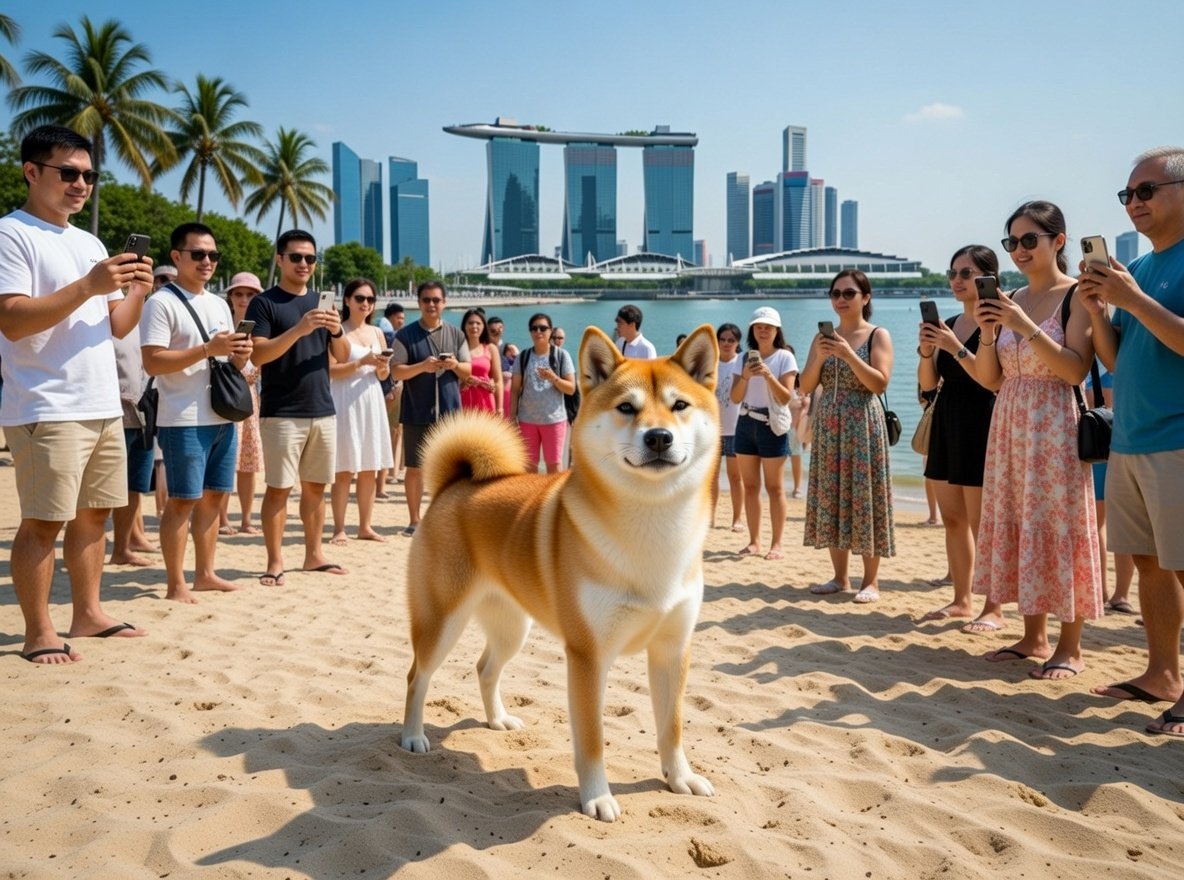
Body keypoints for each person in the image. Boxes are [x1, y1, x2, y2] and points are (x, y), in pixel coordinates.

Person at [0, 124, 152, 663]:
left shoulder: (87, 241)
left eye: (89, 175)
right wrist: (89, 284)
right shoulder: (11, 233)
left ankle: (87, 614)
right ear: (31, 172)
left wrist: (134, 289)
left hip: (101, 402)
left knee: (95, 516)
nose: (81, 183)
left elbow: (116, 326)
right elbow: (12, 320)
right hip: (46, 403)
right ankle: (38, 630)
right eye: (69, 173)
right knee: (43, 521)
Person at [973, 201, 1101, 679]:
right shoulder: (1012, 298)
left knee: (1060, 524)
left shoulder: (1076, 296)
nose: (1020, 250)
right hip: (1010, 419)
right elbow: (990, 379)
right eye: (1013, 242)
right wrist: (988, 332)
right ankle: (1032, 637)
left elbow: (1074, 368)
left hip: (1054, 421)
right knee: (1023, 521)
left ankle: (1071, 646)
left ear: (1058, 242)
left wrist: (1022, 327)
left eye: (1031, 240)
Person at [1080, 147, 1184, 728]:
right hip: (1132, 438)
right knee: (1147, 562)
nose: (1133, 203)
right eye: (1127, 195)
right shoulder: (1140, 269)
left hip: (1177, 437)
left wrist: (1132, 301)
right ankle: (1162, 673)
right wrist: (1099, 310)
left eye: (1145, 191)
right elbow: (1116, 356)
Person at [140, 223, 251, 603]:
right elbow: (152, 361)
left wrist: (237, 356)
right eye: (198, 254)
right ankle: (176, 583)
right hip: (182, 417)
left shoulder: (219, 303)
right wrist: (207, 348)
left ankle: (205, 573)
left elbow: (224, 362)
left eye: (213, 255)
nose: (207, 261)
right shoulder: (161, 303)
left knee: (216, 498)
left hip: (221, 415)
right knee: (183, 500)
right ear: (177, 257)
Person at [246, 230, 351, 585]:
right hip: (281, 411)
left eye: (309, 258)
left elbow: (343, 356)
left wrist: (336, 331)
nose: (304, 263)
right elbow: (258, 354)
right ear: (280, 260)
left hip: (322, 408)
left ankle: (313, 555)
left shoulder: (324, 304)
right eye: (296, 257)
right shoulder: (264, 303)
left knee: (316, 487)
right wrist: (299, 330)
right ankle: (275, 561)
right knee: (278, 488)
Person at [916, 246, 1004, 633]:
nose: (956, 280)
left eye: (966, 274)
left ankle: (994, 607)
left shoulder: (998, 322)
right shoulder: (950, 322)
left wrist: (954, 346)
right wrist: (926, 350)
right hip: (948, 419)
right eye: (953, 273)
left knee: (984, 522)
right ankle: (962, 599)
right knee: (953, 518)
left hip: (984, 418)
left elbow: (992, 377)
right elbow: (927, 384)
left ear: (988, 278)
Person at [800, 271, 895, 602]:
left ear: (865, 298)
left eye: (849, 293)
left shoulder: (877, 335)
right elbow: (806, 385)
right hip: (829, 424)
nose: (841, 299)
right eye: (836, 293)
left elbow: (879, 383)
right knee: (832, 496)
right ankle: (840, 578)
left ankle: (871, 581)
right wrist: (824, 356)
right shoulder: (821, 340)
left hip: (862, 424)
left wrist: (847, 354)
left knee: (865, 498)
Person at [390, 280, 471, 535]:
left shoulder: (456, 334)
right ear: (419, 303)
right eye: (426, 300)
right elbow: (396, 371)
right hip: (417, 410)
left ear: (444, 303)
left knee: (451, 469)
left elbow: (467, 370)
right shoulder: (405, 335)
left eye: (436, 300)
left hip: (449, 410)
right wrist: (422, 367)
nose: (431, 305)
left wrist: (454, 365)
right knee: (415, 468)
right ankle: (414, 520)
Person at [328, 278, 394, 545]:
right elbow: (331, 370)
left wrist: (381, 367)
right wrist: (362, 362)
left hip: (371, 397)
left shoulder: (378, 333)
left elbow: (382, 374)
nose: (365, 304)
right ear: (347, 301)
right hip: (344, 398)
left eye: (369, 299)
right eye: (359, 298)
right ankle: (339, 528)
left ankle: (365, 526)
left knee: (369, 466)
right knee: (344, 468)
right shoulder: (337, 330)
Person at [730, 307, 798, 560]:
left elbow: (785, 397)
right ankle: (754, 541)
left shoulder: (784, 358)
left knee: (775, 487)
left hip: (772, 425)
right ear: (752, 330)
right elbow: (734, 397)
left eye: (768, 326)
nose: (763, 330)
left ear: (777, 330)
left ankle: (777, 543)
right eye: (759, 326)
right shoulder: (743, 358)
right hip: (745, 422)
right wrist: (746, 376)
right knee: (750, 486)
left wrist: (768, 375)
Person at [218, 271, 264, 536]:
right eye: (239, 294)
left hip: (250, 401)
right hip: (225, 398)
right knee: (226, 462)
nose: (244, 299)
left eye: (250, 294)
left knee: (249, 465)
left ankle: (246, 519)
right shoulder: (221, 325)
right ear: (231, 297)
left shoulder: (263, 329)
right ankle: (223, 518)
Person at [109, 310, 156, 567]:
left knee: (135, 487)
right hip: (114, 410)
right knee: (107, 489)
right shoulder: (105, 313)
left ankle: (122, 548)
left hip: (145, 411)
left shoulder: (148, 318)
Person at [510, 313, 576, 473]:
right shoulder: (523, 357)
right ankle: (531, 498)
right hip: (527, 420)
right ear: (530, 332)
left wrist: (554, 377)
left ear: (550, 331)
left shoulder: (561, 356)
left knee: (553, 465)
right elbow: (515, 389)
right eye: (534, 328)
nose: (538, 331)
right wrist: (512, 417)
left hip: (554, 420)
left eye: (543, 328)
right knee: (529, 466)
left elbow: (571, 388)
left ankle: (552, 498)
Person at [711, 322, 746, 531]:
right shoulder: (711, 363)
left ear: (738, 342)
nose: (726, 343)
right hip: (712, 430)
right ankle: (711, 517)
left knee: (735, 477)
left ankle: (737, 519)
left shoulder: (741, 363)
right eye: (722, 339)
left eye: (731, 340)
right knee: (711, 477)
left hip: (736, 428)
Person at [380, 302, 406, 486]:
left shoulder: (378, 328)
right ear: (391, 317)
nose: (401, 322)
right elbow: (388, 363)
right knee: (391, 428)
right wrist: (390, 387)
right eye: (399, 318)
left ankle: (391, 470)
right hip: (391, 386)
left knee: (391, 428)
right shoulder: (388, 334)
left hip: (387, 385)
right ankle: (390, 472)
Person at [459, 308, 503, 414]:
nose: (474, 326)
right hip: (463, 402)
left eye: (478, 323)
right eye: (470, 323)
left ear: (484, 326)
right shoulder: (458, 349)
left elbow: (498, 381)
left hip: (486, 401)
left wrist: (500, 408)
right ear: (464, 326)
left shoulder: (491, 348)